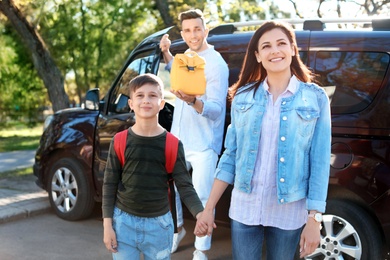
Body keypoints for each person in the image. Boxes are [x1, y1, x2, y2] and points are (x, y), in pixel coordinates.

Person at [195, 20, 331, 260]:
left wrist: (314, 219)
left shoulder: (316, 98)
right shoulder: (243, 97)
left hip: (289, 209)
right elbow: (230, 156)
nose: (274, 50)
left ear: (293, 49)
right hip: (245, 207)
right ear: (258, 55)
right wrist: (208, 209)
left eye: (281, 43)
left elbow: (319, 163)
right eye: (266, 46)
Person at [102, 73, 204, 260]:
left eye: (152, 95)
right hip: (123, 223)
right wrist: (108, 226)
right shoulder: (119, 141)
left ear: (162, 103)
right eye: (140, 95)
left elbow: (185, 186)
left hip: (159, 226)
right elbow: (109, 185)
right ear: (131, 103)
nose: (146, 100)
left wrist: (200, 213)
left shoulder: (173, 144)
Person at [159, 9, 229, 260]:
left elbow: (217, 110)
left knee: (201, 198)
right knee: (172, 191)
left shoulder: (217, 64)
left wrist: (193, 102)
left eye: (197, 29)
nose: (192, 35)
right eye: (187, 30)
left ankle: (201, 249)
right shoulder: (184, 56)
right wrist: (166, 52)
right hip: (178, 140)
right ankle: (177, 231)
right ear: (183, 33)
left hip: (204, 144)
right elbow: (174, 72)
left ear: (205, 30)